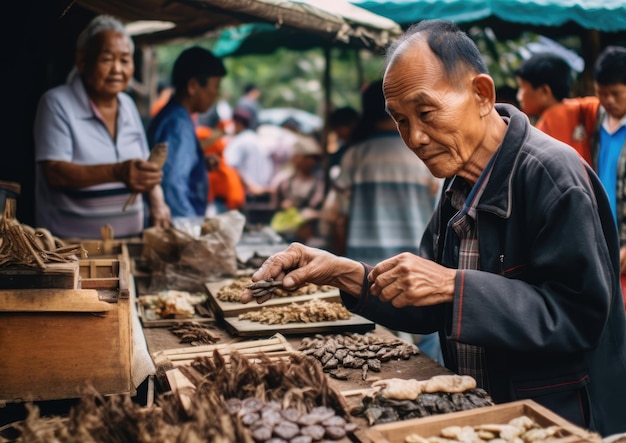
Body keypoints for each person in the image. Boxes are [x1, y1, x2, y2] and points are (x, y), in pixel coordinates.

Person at [241, 20, 626, 436]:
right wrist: (343, 272)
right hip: (485, 413)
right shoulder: (458, 181)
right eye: (401, 121)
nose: (416, 137)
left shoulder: (551, 176)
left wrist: (454, 286)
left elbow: (581, 318)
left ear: (482, 95)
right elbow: (426, 300)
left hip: (553, 418)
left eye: (425, 112)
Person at [33, 15, 170, 239]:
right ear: (82, 61)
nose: (117, 69)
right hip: (70, 251)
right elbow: (55, 172)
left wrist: (157, 200)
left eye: (125, 60)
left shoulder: (127, 105)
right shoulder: (57, 103)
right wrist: (117, 171)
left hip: (129, 244)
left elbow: (144, 164)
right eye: (107, 59)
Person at [147, 46, 226, 219]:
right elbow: (172, 185)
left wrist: (198, 162)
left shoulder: (176, 116)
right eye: (215, 86)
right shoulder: (178, 124)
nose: (216, 94)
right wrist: (190, 231)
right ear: (192, 86)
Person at [590, 45, 626, 308]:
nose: (608, 100)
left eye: (615, 93)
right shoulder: (596, 121)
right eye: (602, 93)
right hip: (602, 239)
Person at [515, 52, 599, 164]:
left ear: (544, 91)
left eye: (522, 88)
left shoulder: (546, 123)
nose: (519, 97)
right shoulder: (584, 107)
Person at [270, 135, 326, 244]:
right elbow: (275, 206)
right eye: (307, 157)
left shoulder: (320, 182)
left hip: (312, 235)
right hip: (286, 232)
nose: (311, 162)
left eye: (314, 158)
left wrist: (315, 214)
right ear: (296, 158)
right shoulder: (284, 181)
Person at [224, 108, 274, 224]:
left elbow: (231, 166)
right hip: (260, 192)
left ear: (238, 124)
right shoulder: (256, 138)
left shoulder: (239, 141)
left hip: (246, 193)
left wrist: (251, 186)